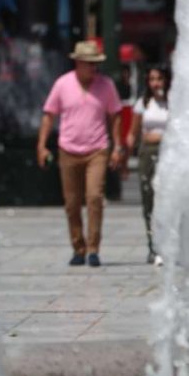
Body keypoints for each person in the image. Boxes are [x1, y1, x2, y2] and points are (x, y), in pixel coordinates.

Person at [36, 40, 124, 267]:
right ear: (77, 63)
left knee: (94, 197)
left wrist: (118, 147)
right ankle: (78, 247)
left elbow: (115, 115)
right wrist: (42, 144)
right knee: (72, 202)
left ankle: (94, 248)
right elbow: (49, 114)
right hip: (68, 149)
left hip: (97, 149)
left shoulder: (106, 86)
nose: (92, 68)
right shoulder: (62, 84)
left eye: (95, 64)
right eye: (88, 64)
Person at [126, 65, 170, 266]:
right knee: (149, 199)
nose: (155, 83)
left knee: (167, 199)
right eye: (152, 79)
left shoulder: (174, 103)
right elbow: (133, 133)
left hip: (169, 154)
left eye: (159, 79)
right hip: (147, 153)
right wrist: (125, 154)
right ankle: (152, 244)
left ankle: (168, 245)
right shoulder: (143, 103)